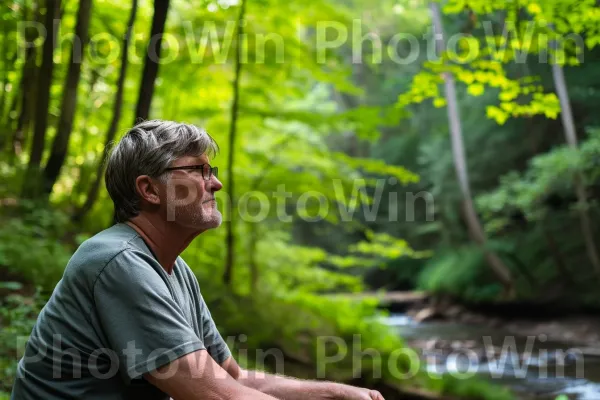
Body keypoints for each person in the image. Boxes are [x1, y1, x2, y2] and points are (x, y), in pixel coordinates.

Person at [11, 120, 384, 400]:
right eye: (198, 170)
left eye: (212, 171)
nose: (216, 183)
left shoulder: (175, 270)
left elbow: (233, 379)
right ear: (149, 190)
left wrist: (340, 393)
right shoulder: (116, 260)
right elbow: (218, 395)